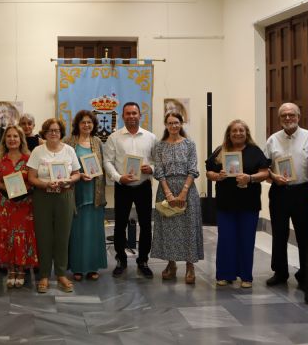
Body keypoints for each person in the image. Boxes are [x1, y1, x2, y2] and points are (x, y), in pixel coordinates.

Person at [205, 119, 270, 288]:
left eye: (241, 130)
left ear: (246, 133)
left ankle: (246, 276)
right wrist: (217, 176)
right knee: (226, 239)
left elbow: (264, 172)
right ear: (229, 133)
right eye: (234, 131)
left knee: (246, 239)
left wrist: (250, 178)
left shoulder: (255, 152)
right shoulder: (221, 151)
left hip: (249, 203)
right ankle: (225, 275)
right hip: (226, 203)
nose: (238, 133)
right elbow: (208, 172)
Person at [103, 102, 156, 279]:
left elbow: (157, 161)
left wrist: (152, 169)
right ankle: (121, 260)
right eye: (128, 113)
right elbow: (108, 162)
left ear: (140, 115)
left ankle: (143, 261)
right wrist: (119, 178)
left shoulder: (150, 137)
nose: (131, 116)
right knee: (120, 224)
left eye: (134, 113)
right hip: (123, 186)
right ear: (122, 116)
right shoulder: (114, 138)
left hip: (143, 187)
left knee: (146, 225)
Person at [27, 118, 80, 293]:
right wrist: (45, 184)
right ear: (45, 132)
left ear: (61, 132)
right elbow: (31, 177)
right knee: (44, 236)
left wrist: (68, 181)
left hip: (64, 197)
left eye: (57, 130)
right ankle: (43, 275)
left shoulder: (69, 150)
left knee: (63, 236)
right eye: (50, 130)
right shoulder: (37, 151)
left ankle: (61, 274)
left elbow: (77, 174)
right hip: (43, 197)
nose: (54, 133)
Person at [264, 102, 308, 289]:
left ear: (298, 117)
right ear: (279, 119)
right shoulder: (273, 140)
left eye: (291, 115)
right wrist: (273, 176)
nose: (287, 118)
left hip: (303, 191)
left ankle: (306, 274)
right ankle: (280, 272)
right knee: (279, 232)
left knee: (304, 234)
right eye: (283, 115)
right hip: (279, 192)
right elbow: (264, 166)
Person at [151, 112, 203, 284]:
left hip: (187, 188)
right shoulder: (159, 146)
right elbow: (158, 170)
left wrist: (183, 192)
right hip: (166, 188)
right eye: (170, 123)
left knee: (188, 228)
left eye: (176, 123)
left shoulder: (189, 144)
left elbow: (193, 168)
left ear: (181, 124)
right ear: (165, 125)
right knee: (168, 228)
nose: (173, 126)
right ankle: (171, 264)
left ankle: (190, 266)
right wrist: (168, 193)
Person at [0, 125, 38, 288]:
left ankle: (21, 269)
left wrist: (24, 189)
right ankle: (11, 269)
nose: (12, 139)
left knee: (21, 236)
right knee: (6, 236)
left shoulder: (29, 158)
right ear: (5, 139)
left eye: (15, 136)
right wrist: (4, 187)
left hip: (24, 205)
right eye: (9, 136)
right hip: (5, 205)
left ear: (21, 139)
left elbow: (34, 180)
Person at [63, 110, 107, 281]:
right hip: (75, 192)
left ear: (94, 124)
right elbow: (63, 167)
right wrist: (79, 175)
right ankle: (77, 268)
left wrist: (96, 173)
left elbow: (101, 165)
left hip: (94, 193)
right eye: (83, 122)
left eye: (89, 122)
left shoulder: (97, 142)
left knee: (93, 232)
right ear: (77, 125)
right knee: (76, 232)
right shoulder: (68, 142)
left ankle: (92, 267)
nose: (86, 125)